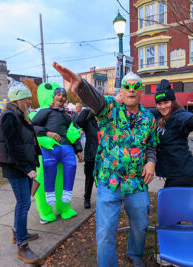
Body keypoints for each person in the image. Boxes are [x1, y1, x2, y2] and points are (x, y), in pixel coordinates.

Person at [54, 62, 158, 267]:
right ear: (121, 91)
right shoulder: (110, 108)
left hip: (136, 184)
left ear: (142, 91)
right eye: (126, 86)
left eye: (135, 87)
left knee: (141, 225)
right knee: (105, 232)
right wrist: (80, 84)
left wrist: (151, 162)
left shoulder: (149, 118)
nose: (131, 90)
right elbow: (96, 99)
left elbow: (152, 145)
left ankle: (135, 254)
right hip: (109, 183)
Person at [0, 81, 41, 264]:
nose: (30, 101)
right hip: (17, 169)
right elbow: (13, 147)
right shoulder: (9, 117)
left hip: (23, 166)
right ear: (19, 99)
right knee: (23, 204)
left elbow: (27, 142)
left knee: (22, 203)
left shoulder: (19, 115)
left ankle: (17, 232)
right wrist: (28, 169)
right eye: (28, 98)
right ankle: (22, 246)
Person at [31, 87, 83, 206]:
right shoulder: (45, 112)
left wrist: (78, 150)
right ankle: (49, 192)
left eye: (63, 96)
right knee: (48, 166)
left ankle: (67, 191)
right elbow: (32, 126)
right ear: (53, 97)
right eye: (58, 95)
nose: (61, 97)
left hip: (66, 147)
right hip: (50, 147)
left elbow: (72, 134)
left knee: (72, 164)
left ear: (65, 99)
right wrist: (48, 133)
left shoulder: (67, 116)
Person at [75, 108, 99, 209]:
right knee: (89, 179)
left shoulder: (107, 122)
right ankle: (87, 198)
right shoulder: (89, 122)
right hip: (91, 156)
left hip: (104, 157)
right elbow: (79, 120)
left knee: (103, 179)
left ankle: (104, 198)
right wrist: (88, 108)